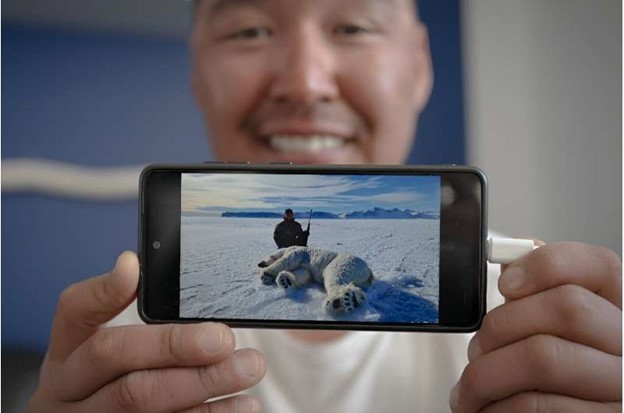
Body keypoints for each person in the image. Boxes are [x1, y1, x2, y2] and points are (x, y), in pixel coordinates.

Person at [29, 0, 622, 412]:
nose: (306, 80)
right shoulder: (122, 357)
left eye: (354, 26)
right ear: (198, 73)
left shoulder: (533, 328)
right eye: (249, 31)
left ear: (418, 66)